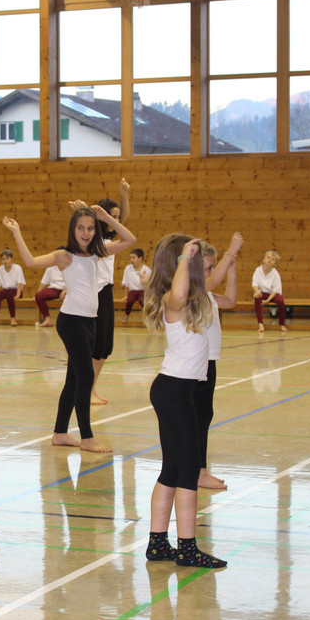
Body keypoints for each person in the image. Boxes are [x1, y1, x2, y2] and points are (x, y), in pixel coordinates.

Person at [2, 203, 135, 452]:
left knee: (73, 380)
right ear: (72, 229)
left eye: (90, 228)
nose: (86, 233)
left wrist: (107, 218)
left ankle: (60, 433)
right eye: (80, 228)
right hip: (71, 322)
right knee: (85, 377)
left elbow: (130, 240)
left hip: (90, 321)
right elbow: (30, 261)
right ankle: (87, 437)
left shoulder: (98, 252)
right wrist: (17, 231)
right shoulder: (64, 256)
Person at [143, 233, 226, 568]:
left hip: (177, 391)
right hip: (173, 390)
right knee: (189, 470)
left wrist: (220, 258)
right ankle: (188, 548)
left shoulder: (193, 299)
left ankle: (158, 543)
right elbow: (178, 291)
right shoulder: (172, 299)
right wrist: (182, 257)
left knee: (173, 469)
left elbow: (206, 285)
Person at [194, 234, 243, 490]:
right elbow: (212, 282)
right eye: (207, 268)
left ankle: (199, 470)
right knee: (199, 416)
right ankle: (198, 472)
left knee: (204, 415)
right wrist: (230, 251)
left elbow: (231, 301)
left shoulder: (209, 295)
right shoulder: (194, 290)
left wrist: (231, 272)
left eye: (213, 267)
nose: (211, 273)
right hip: (196, 363)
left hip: (208, 361)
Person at [89, 178, 131, 404]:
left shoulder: (108, 236)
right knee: (96, 345)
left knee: (105, 346)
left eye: (116, 217)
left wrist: (124, 194)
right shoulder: (94, 239)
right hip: (94, 294)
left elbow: (124, 218)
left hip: (106, 291)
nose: (116, 221)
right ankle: (86, 390)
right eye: (111, 217)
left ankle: (92, 387)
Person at [0, 249, 26, 326]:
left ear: (12, 259)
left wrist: (18, 295)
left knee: (9, 296)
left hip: (16, 290)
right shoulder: (0, 270)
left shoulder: (17, 268)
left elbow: (19, 283)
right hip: (6, 289)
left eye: (7, 258)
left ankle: (13, 318)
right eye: (3, 259)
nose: (5, 261)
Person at [252, 250, 287, 332]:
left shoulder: (275, 274)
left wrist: (267, 300)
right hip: (262, 292)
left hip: (273, 294)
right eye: (268, 257)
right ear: (263, 260)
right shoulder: (258, 270)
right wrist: (257, 291)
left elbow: (275, 290)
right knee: (257, 297)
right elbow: (254, 284)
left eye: (273, 259)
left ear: (275, 264)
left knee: (281, 301)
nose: (270, 260)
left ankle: (282, 324)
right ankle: (260, 324)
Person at [121, 248, 151, 323]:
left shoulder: (147, 269)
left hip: (143, 291)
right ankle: (126, 315)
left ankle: (148, 317)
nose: (131, 259)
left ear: (140, 258)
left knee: (143, 301)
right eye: (130, 258)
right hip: (132, 291)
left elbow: (149, 285)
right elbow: (126, 283)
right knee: (130, 300)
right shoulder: (128, 268)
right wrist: (125, 295)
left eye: (133, 257)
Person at [34, 262, 66, 328]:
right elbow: (43, 282)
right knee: (39, 296)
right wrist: (37, 295)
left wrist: (65, 291)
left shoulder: (69, 266)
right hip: (54, 289)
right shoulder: (50, 268)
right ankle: (47, 319)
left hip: (67, 289)